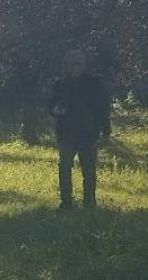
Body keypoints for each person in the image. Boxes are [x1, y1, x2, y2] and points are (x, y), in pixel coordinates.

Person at [48, 49, 111, 210]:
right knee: (64, 167)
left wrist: (106, 131)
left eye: (78, 64)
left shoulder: (93, 83)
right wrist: (56, 110)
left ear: (84, 65)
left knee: (89, 170)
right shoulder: (60, 83)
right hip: (67, 133)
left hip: (88, 134)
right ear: (66, 66)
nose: (75, 68)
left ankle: (89, 202)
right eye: (72, 65)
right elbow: (51, 105)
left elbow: (102, 108)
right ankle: (66, 202)